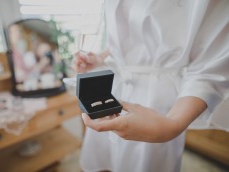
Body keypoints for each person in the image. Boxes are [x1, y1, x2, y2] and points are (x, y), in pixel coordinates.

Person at [72, 0, 229, 172]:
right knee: (102, 159)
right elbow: (125, 36)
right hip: (113, 90)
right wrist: (100, 58)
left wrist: (171, 126)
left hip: (155, 104)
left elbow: (208, 70)